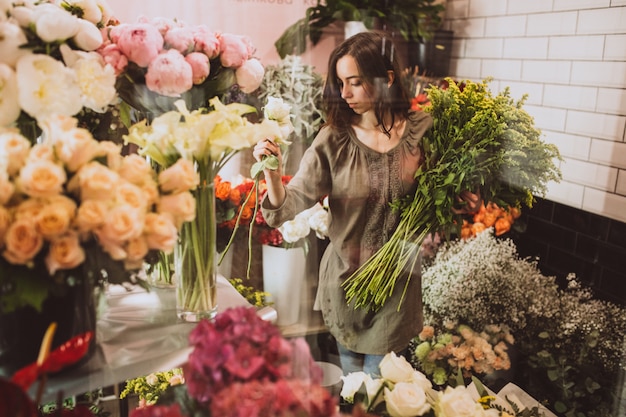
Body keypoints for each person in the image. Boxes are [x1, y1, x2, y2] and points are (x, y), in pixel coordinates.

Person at [253, 31, 480, 376]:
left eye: (355, 82)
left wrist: (464, 199)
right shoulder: (334, 139)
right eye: (341, 83)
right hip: (346, 284)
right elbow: (289, 203)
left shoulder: (424, 131)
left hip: (398, 286)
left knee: (379, 386)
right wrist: (273, 172)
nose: (344, 94)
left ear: (386, 79)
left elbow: (439, 196)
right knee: (354, 388)